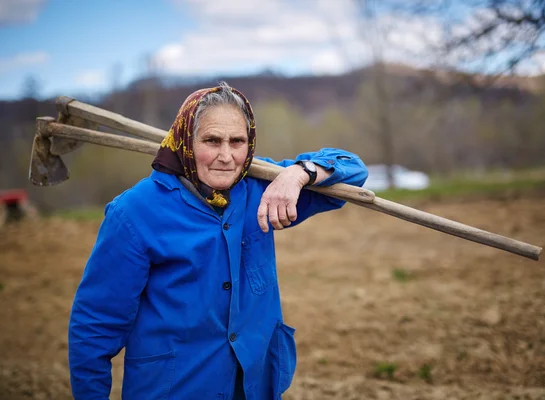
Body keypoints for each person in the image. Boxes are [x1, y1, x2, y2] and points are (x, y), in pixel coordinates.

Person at [68, 82, 368, 399]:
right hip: (176, 388)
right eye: (212, 141)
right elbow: (95, 327)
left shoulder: (261, 188)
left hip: (253, 387)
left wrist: (297, 174)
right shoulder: (134, 214)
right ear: (186, 140)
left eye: (237, 141)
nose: (226, 156)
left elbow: (354, 171)